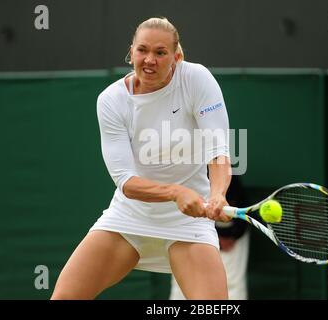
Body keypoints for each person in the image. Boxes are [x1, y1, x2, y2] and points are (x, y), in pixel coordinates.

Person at [51, 17, 232, 300]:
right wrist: (175, 192)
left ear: (177, 56)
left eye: (160, 52)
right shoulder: (111, 100)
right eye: (142, 50)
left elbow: (218, 151)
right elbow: (125, 181)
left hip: (187, 224)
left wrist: (218, 194)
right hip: (129, 217)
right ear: (131, 51)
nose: (150, 60)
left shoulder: (196, 79)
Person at [170, 176, 250, 300]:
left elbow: (235, 197)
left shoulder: (224, 171)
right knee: (182, 285)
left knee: (230, 284)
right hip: (185, 231)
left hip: (226, 237)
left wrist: (227, 233)